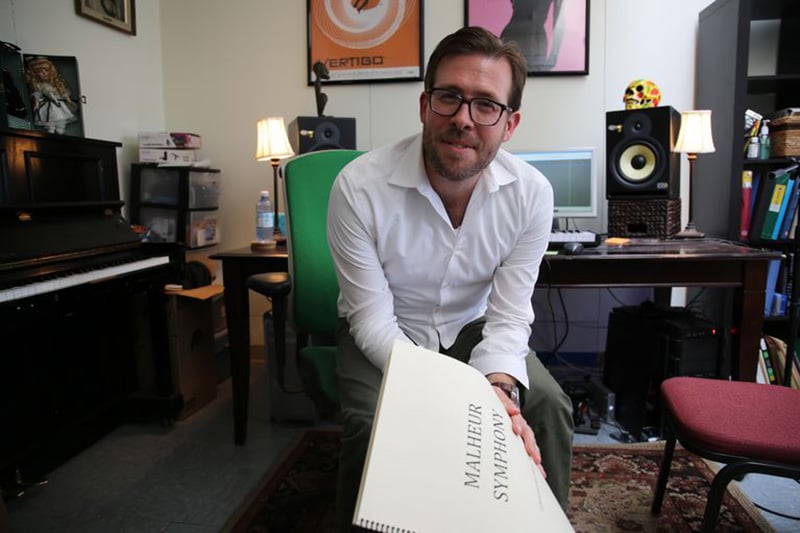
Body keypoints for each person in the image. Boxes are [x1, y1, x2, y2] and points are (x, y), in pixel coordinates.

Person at [327, 26, 574, 532]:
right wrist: (444, 394)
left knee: (546, 405)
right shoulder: (358, 187)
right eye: (449, 98)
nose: (464, 119)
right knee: (374, 427)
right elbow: (371, 319)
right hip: (383, 332)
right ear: (424, 105)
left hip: (472, 327)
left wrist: (499, 388)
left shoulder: (532, 195)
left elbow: (508, 316)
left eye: (486, 105)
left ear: (510, 124)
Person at [24, 56, 78, 135]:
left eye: (45, 71)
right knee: (49, 118)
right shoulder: (39, 85)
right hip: (48, 104)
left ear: (50, 71)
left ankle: (60, 129)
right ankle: (51, 129)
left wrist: (69, 100)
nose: (42, 74)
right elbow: (37, 94)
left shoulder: (57, 83)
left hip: (58, 104)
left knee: (60, 117)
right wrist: (36, 102)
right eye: (39, 72)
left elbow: (63, 92)